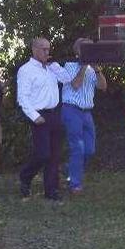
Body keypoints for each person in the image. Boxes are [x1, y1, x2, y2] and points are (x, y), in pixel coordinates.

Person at [16, 38, 74, 200]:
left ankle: (51, 190)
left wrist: (55, 66)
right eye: (43, 49)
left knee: (55, 154)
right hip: (39, 114)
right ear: (34, 49)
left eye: (48, 49)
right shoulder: (26, 70)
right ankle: (25, 176)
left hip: (55, 113)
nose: (47, 53)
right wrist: (34, 116)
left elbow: (67, 79)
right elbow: (22, 97)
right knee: (42, 154)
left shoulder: (51, 69)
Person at [61, 38, 108, 193]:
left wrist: (96, 69)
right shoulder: (69, 66)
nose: (90, 51)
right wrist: (83, 65)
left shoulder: (93, 69)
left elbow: (103, 87)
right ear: (78, 51)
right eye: (87, 48)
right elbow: (75, 85)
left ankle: (69, 168)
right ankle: (75, 184)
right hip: (71, 110)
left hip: (87, 112)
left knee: (89, 150)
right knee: (77, 148)